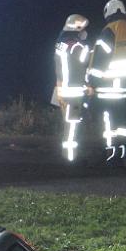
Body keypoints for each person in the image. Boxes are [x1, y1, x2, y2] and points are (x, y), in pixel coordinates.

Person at [87, 0, 126, 164]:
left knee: (108, 123)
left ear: (108, 12)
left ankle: (110, 153)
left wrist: (91, 82)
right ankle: (123, 154)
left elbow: (100, 60)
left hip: (107, 88)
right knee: (123, 122)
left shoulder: (109, 30)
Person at [52, 14, 90, 163]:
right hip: (75, 92)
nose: (84, 32)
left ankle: (67, 155)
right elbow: (85, 67)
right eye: (83, 29)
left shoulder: (60, 45)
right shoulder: (79, 47)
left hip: (63, 90)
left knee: (67, 124)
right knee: (73, 126)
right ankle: (71, 158)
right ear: (77, 29)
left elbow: (58, 70)